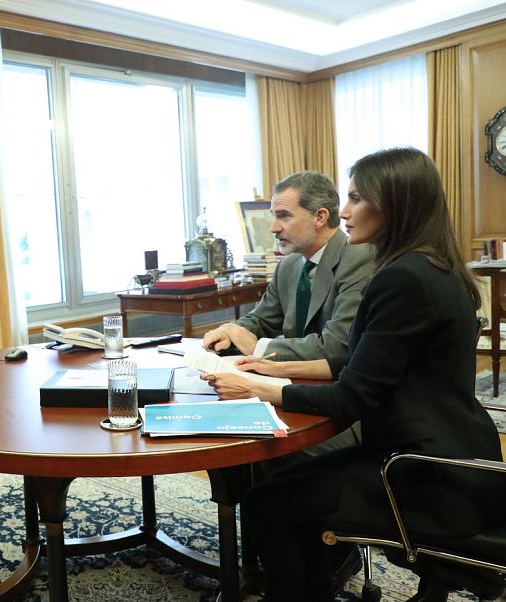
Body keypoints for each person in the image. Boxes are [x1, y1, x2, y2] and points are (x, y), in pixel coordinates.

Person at [204, 148, 504, 601]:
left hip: (421, 473)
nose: (344, 211)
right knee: (278, 487)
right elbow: (365, 363)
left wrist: (259, 389)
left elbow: (351, 397)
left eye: (357, 198)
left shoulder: (402, 279)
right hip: (457, 455)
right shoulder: (434, 267)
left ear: (395, 203)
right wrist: (273, 369)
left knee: (264, 503)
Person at [202, 170, 374, 361]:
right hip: (288, 372)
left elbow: (337, 346)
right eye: (274, 216)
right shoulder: (288, 265)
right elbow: (261, 320)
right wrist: (229, 332)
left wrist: (256, 347)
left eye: (284, 216)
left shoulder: (359, 258)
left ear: (320, 217)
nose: (273, 228)